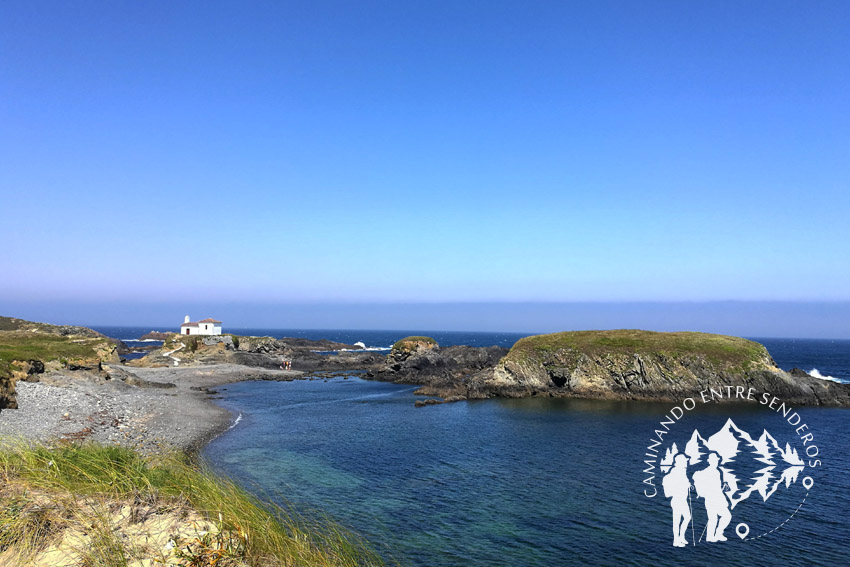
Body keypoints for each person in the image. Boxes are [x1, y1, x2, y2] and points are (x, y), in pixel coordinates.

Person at [692, 452, 732, 542]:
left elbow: (715, 487)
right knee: (718, 518)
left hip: (716, 498)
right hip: (712, 499)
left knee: (721, 517)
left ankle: (715, 535)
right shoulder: (708, 472)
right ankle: (713, 535)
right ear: (709, 461)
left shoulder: (717, 471)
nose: (715, 462)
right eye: (713, 460)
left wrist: (722, 487)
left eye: (716, 460)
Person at [662, 453, 692, 547]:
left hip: (683, 500)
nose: (687, 462)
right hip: (677, 500)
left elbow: (685, 482)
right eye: (685, 461)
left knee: (687, 517)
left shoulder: (682, 471)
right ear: (680, 462)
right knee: (677, 521)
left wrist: (688, 485)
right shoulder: (676, 472)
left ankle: (681, 537)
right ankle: (676, 540)